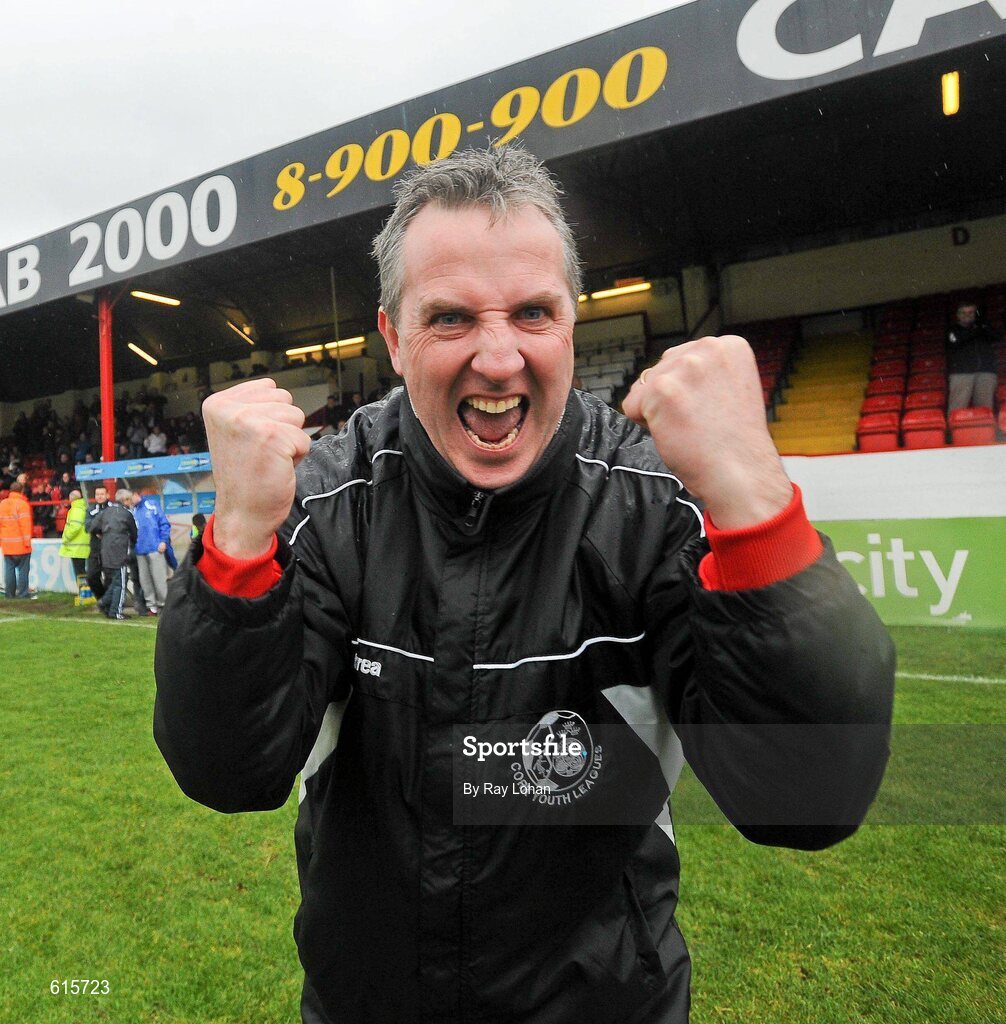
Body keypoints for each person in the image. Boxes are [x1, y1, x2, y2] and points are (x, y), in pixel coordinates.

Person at [154, 148, 894, 1024]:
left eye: (533, 313)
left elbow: (806, 798)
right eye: (452, 318)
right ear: (393, 338)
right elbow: (227, 769)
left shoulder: (657, 502)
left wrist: (754, 497)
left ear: (573, 321)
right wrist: (237, 538)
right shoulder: (328, 498)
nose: (498, 360)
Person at [90, 489, 137, 620]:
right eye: (130, 499)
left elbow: (92, 527)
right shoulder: (127, 514)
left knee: (115, 582)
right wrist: (132, 543)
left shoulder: (106, 512)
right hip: (119, 551)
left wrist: (102, 533)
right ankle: (116, 611)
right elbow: (134, 533)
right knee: (120, 584)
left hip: (105, 551)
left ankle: (104, 602)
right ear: (126, 500)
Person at [946, 301, 1000, 412]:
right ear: (958, 315)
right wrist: (977, 328)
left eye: (971, 312)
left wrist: (982, 323)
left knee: (985, 410)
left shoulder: (983, 327)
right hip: (961, 373)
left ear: (976, 314)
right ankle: (954, 430)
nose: (967, 315)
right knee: (957, 409)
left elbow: (997, 336)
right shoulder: (952, 330)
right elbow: (956, 341)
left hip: (985, 372)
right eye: (963, 312)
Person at [129, 491, 171, 615]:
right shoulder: (132, 511)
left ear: (136, 494)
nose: (129, 501)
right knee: (145, 580)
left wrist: (163, 541)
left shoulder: (151, 505)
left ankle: (164, 605)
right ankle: (152, 606)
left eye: (130, 497)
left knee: (159, 579)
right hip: (139, 550)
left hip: (155, 548)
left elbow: (164, 523)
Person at [0, 481, 34, 599]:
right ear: (22, 491)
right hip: (21, 545)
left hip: (7, 544)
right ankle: (22, 593)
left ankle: (9, 594)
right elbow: (25, 526)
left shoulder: (2, 504)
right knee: (23, 571)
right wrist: (27, 543)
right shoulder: (23, 504)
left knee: (9, 570)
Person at [58, 489, 91, 583]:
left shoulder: (75, 510)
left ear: (70, 498)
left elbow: (75, 527)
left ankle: (84, 592)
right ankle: (85, 592)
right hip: (82, 546)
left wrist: (66, 538)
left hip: (76, 547)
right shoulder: (83, 508)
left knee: (80, 573)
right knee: (82, 572)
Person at [84, 485, 110, 602]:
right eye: (97, 494)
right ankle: (102, 598)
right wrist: (99, 530)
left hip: (110, 549)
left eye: (102, 494)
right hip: (95, 549)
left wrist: (102, 531)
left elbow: (115, 525)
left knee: (110, 577)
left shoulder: (113, 508)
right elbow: (88, 526)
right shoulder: (90, 509)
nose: (99, 496)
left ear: (107, 495)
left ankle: (110, 601)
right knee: (91, 576)